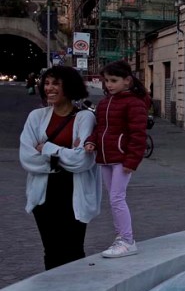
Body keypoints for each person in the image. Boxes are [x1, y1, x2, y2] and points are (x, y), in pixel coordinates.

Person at [19, 66, 103, 270]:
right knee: (51, 250)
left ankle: (75, 289)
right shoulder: (36, 117)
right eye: (46, 83)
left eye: (56, 83)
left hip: (74, 192)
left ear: (70, 86)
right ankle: (52, 289)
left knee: (73, 250)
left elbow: (83, 160)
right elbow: (27, 157)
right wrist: (66, 155)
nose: (49, 88)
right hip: (44, 193)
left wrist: (47, 148)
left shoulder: (85, 117)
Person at [84, 61, 151, 258]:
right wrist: (91, 142)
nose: (109, 85)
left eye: (113, 80)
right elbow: (99, 128)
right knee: (114, 198)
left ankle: (127, 241)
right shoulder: (105, 103)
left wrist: (131, 161)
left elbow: (138, 136)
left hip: (121, 159)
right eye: (106, 81)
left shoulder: (134, 103)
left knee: (117, 198)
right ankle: (121, 237)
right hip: (105, 158)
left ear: (127, 81)